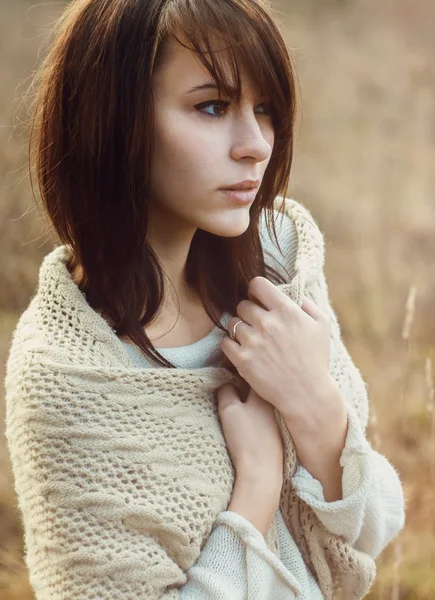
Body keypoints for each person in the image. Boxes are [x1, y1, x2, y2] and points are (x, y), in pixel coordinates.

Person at [3, 1, 406, 598]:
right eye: (212, 107)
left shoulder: (276, 265)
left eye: (264, 109)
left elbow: (375, 524)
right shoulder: (69, 375)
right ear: (113, 119)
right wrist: (258, 489)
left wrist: (314, 406)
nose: (255, 145)